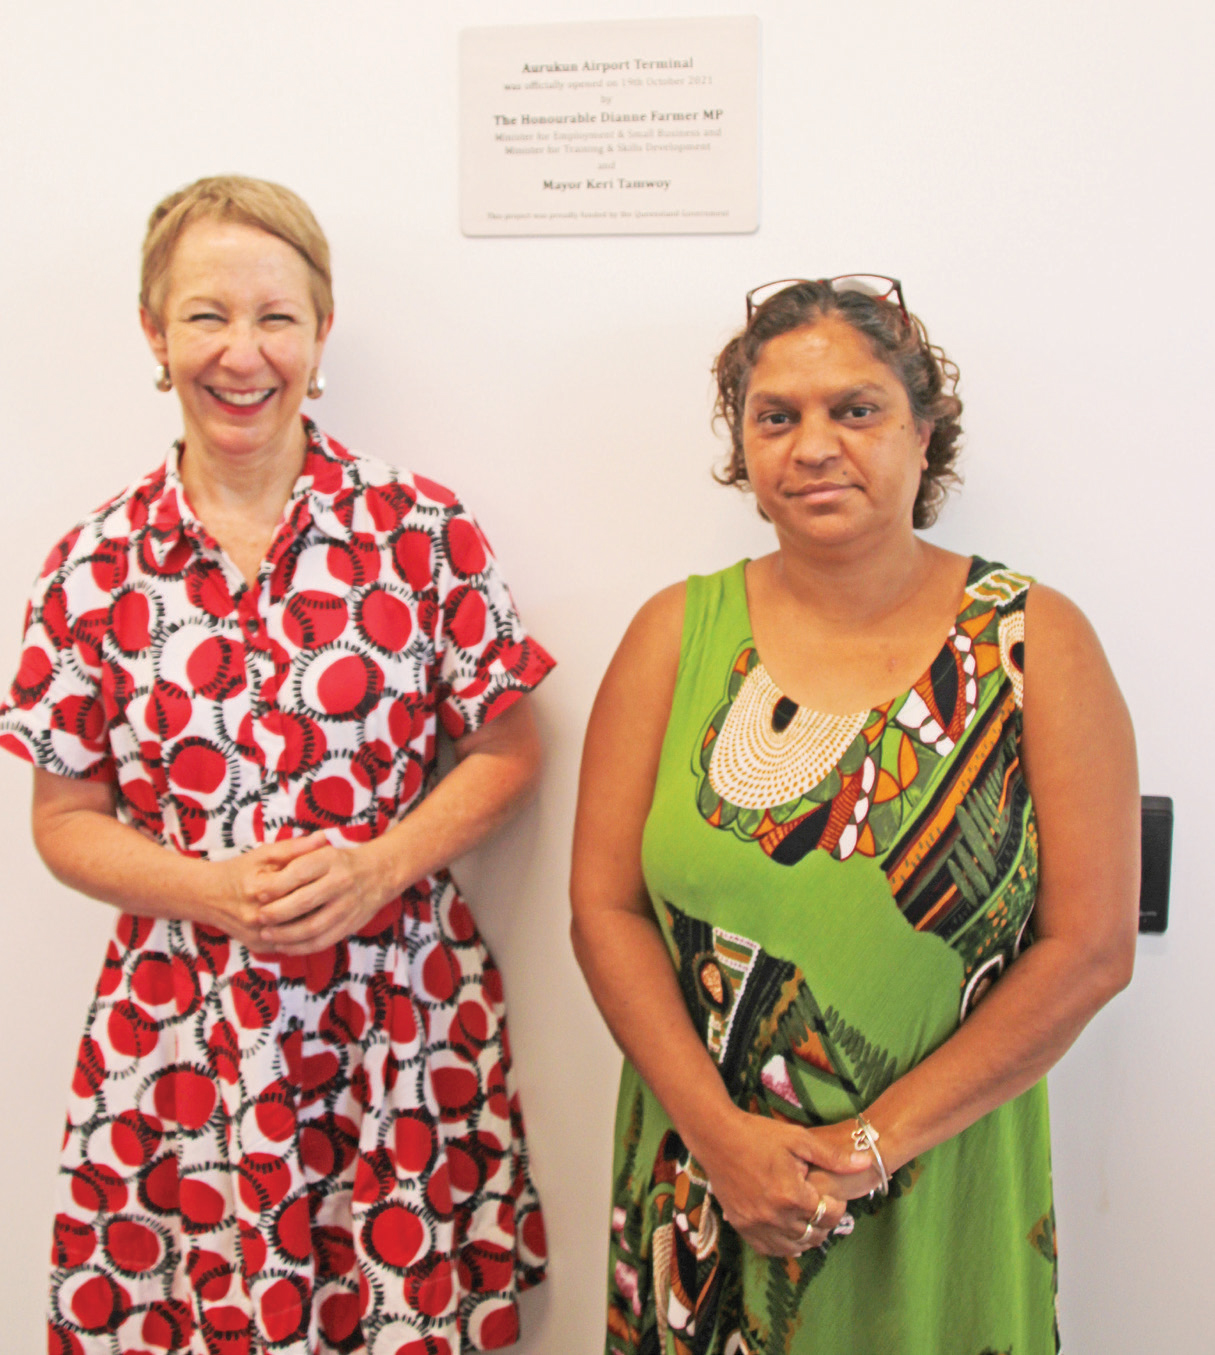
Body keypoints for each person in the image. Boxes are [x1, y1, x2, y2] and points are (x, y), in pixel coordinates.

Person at [1, 175, 554, 1354]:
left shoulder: (423, 532)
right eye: (205, 316)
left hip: (396, 1016)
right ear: (154, 332)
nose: (241, 353)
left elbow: (511, 745)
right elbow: (63, 817)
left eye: (275, 317)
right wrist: (206, 890)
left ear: (321, 329)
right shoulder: (91, 565)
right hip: (183, 1032)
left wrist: (382, 863)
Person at [570, 276, 1138, 1354]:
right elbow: (603, 909)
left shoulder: (1037, 642)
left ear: (926, 432)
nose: (814, 442)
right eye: (776, 415)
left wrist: (868, 1148)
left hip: (942, 1188)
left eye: (857, 408)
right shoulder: (672, 633)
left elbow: (1090, 948)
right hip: (703, 1188)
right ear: (744, 449)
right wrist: (724, 1141)